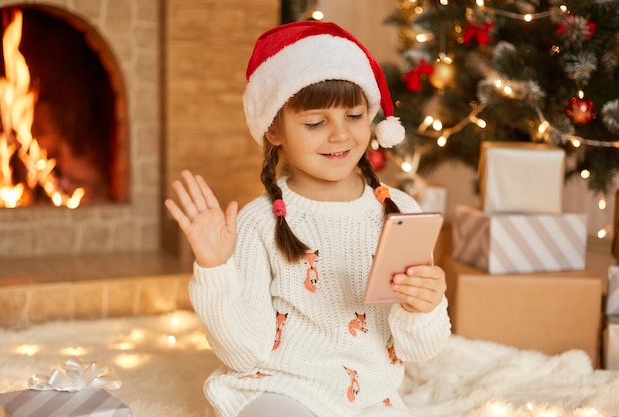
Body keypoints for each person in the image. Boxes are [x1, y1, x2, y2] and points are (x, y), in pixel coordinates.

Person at [165, 21, 451, 417]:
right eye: (316, 123)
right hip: (280, 388)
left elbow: (418, 350)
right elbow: (243, 352)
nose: (340, 136)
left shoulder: (400, 211)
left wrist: (425, 306)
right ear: (275, 131)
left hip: (371, 397)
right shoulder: (258, 222)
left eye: (354, 116)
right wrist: (215, 269)